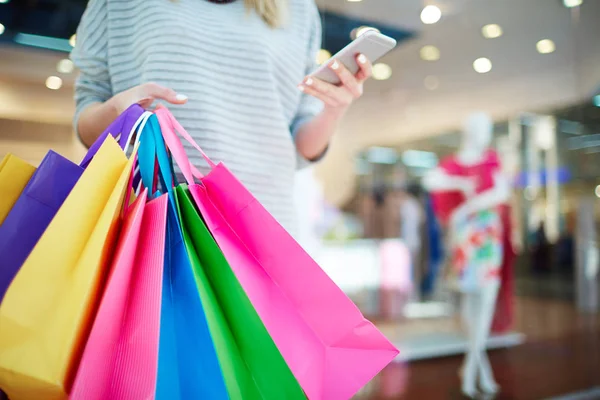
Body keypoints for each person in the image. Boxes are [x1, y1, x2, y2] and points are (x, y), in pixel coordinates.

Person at [71, 0, 373, 231]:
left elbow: (301, 144)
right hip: (160, 222)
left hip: (264, 225)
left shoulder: (297, 9)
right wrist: (120, 111)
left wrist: (335, 108)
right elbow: (88, 121)